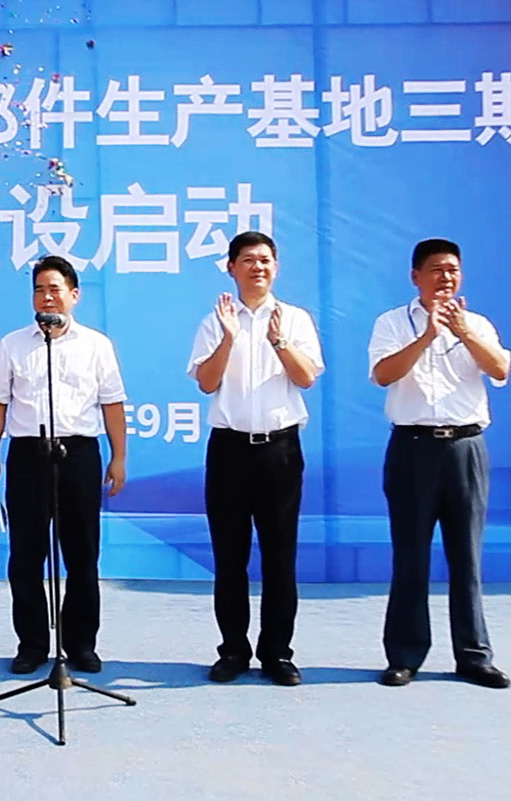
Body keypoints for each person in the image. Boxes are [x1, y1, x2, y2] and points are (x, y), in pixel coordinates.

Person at [367, 238, 511, 689]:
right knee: (410, 555)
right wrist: (427, 337)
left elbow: (500, 369)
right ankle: (404, 655)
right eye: (436, 270)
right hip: (412, 448)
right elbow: (383, 374)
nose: (446, 277)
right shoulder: (393, 323)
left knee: (466, 557)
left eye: (452, 270)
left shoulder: (477, 323)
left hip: (465, 448)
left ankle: (474, 656)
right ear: (416, 277)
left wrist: (463, 331)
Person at [0, 255, 128, 675]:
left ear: (74, 295)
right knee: (26, 556)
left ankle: (80, 644)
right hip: (28, 456)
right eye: (39, 290)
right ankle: (31, 644)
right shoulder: (12, 345)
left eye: (55, 289)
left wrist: (118, 457)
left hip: (78, 454)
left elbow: (112, 405)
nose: (47, 297)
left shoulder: (96, 345)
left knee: (82, 555)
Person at [187, 231, 324, 687]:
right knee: (230, 558)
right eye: (247, 260)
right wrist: (229, 338)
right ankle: (233, 651)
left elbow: (306, 378)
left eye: (265, 260)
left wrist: (280, 342)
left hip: (279, 451)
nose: (257, 267)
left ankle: (277, 653)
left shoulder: (295, 319)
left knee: (280, 558)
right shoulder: (215, 320)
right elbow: (207, 383)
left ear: (276, 268)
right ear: (231, 268)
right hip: (228, 450)